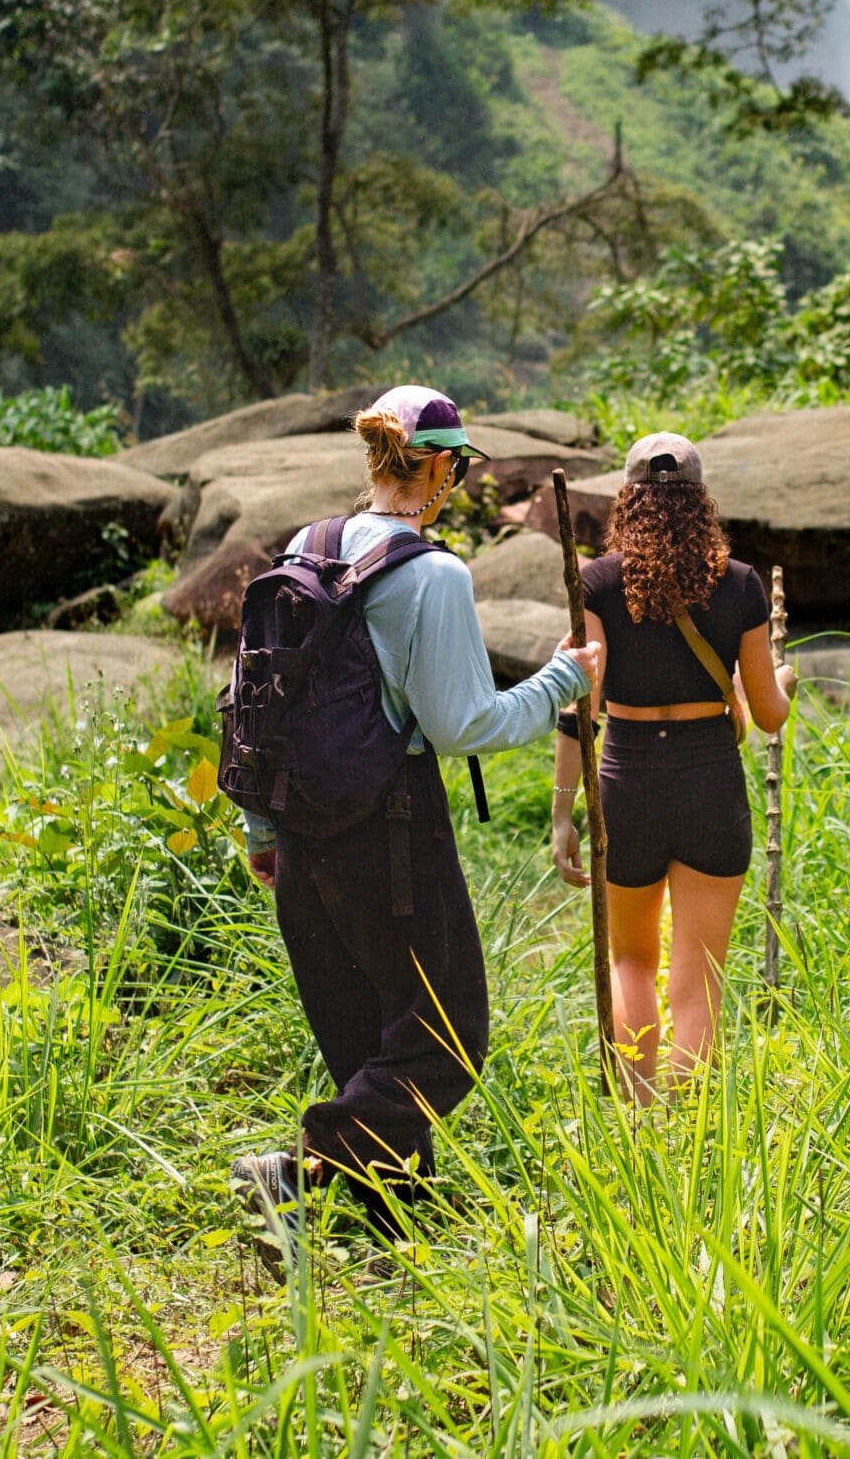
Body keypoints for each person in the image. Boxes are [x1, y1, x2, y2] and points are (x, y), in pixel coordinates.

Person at [230, 384, 601, 1247]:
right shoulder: (433, 574)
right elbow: (462, 725)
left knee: (366, 1032)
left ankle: (393, 1218)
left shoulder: (307, 546)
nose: (457, 483)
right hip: (389, 829)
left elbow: (259, 698)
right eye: (457, 469)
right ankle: (299, 1169)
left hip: (299, 825)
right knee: (446, 1034)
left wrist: (263, 830)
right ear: (436, 468)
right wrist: (564, 680)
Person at [552, 431, 795, 1101]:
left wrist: (563, 811)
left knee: (630, 960)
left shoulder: (596, 584)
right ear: (700, 501)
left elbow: (577, 706)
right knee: (700, 974)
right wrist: (784, 678)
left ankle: (639, 1121)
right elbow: (768, 715)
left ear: (628, 499)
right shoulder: (740, 584)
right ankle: (689, 1130)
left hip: (626, 782)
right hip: (710, 782)